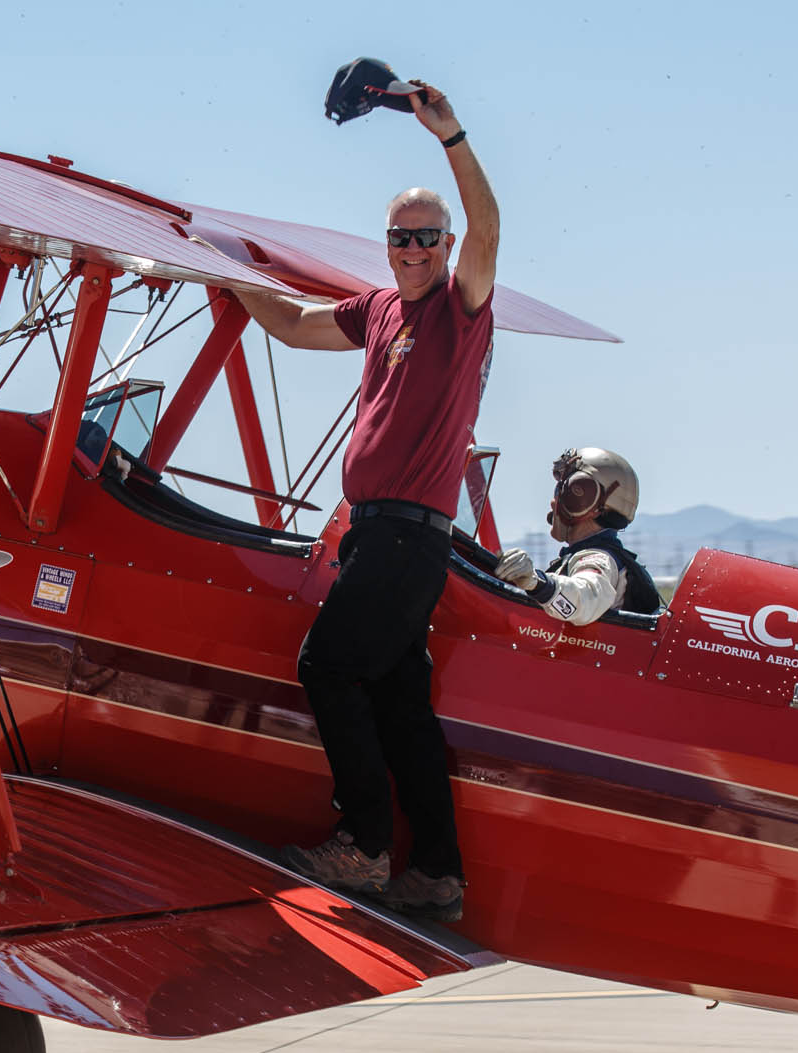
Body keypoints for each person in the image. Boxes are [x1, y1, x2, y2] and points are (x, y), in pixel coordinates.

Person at [228, 80, 496, 924]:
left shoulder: (461, 307)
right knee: (397, 699)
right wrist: (229, 276)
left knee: (326, 665)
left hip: (404, 540)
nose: (413, 248)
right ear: (386, 245)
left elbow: (490, 231)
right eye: (400, 237)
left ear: (444, 243)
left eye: (426, 236)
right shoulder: (378, 308)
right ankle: (437, 871)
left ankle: (366, 846)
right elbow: (296, 323)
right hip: (385, 539)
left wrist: (450, 137)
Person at [496, 448, 663, 624]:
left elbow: (585, 597)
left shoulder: (598, 559)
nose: (554, 502)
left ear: (582, 496)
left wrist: (535, 582)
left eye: (562, 489)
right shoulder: (604, 558)